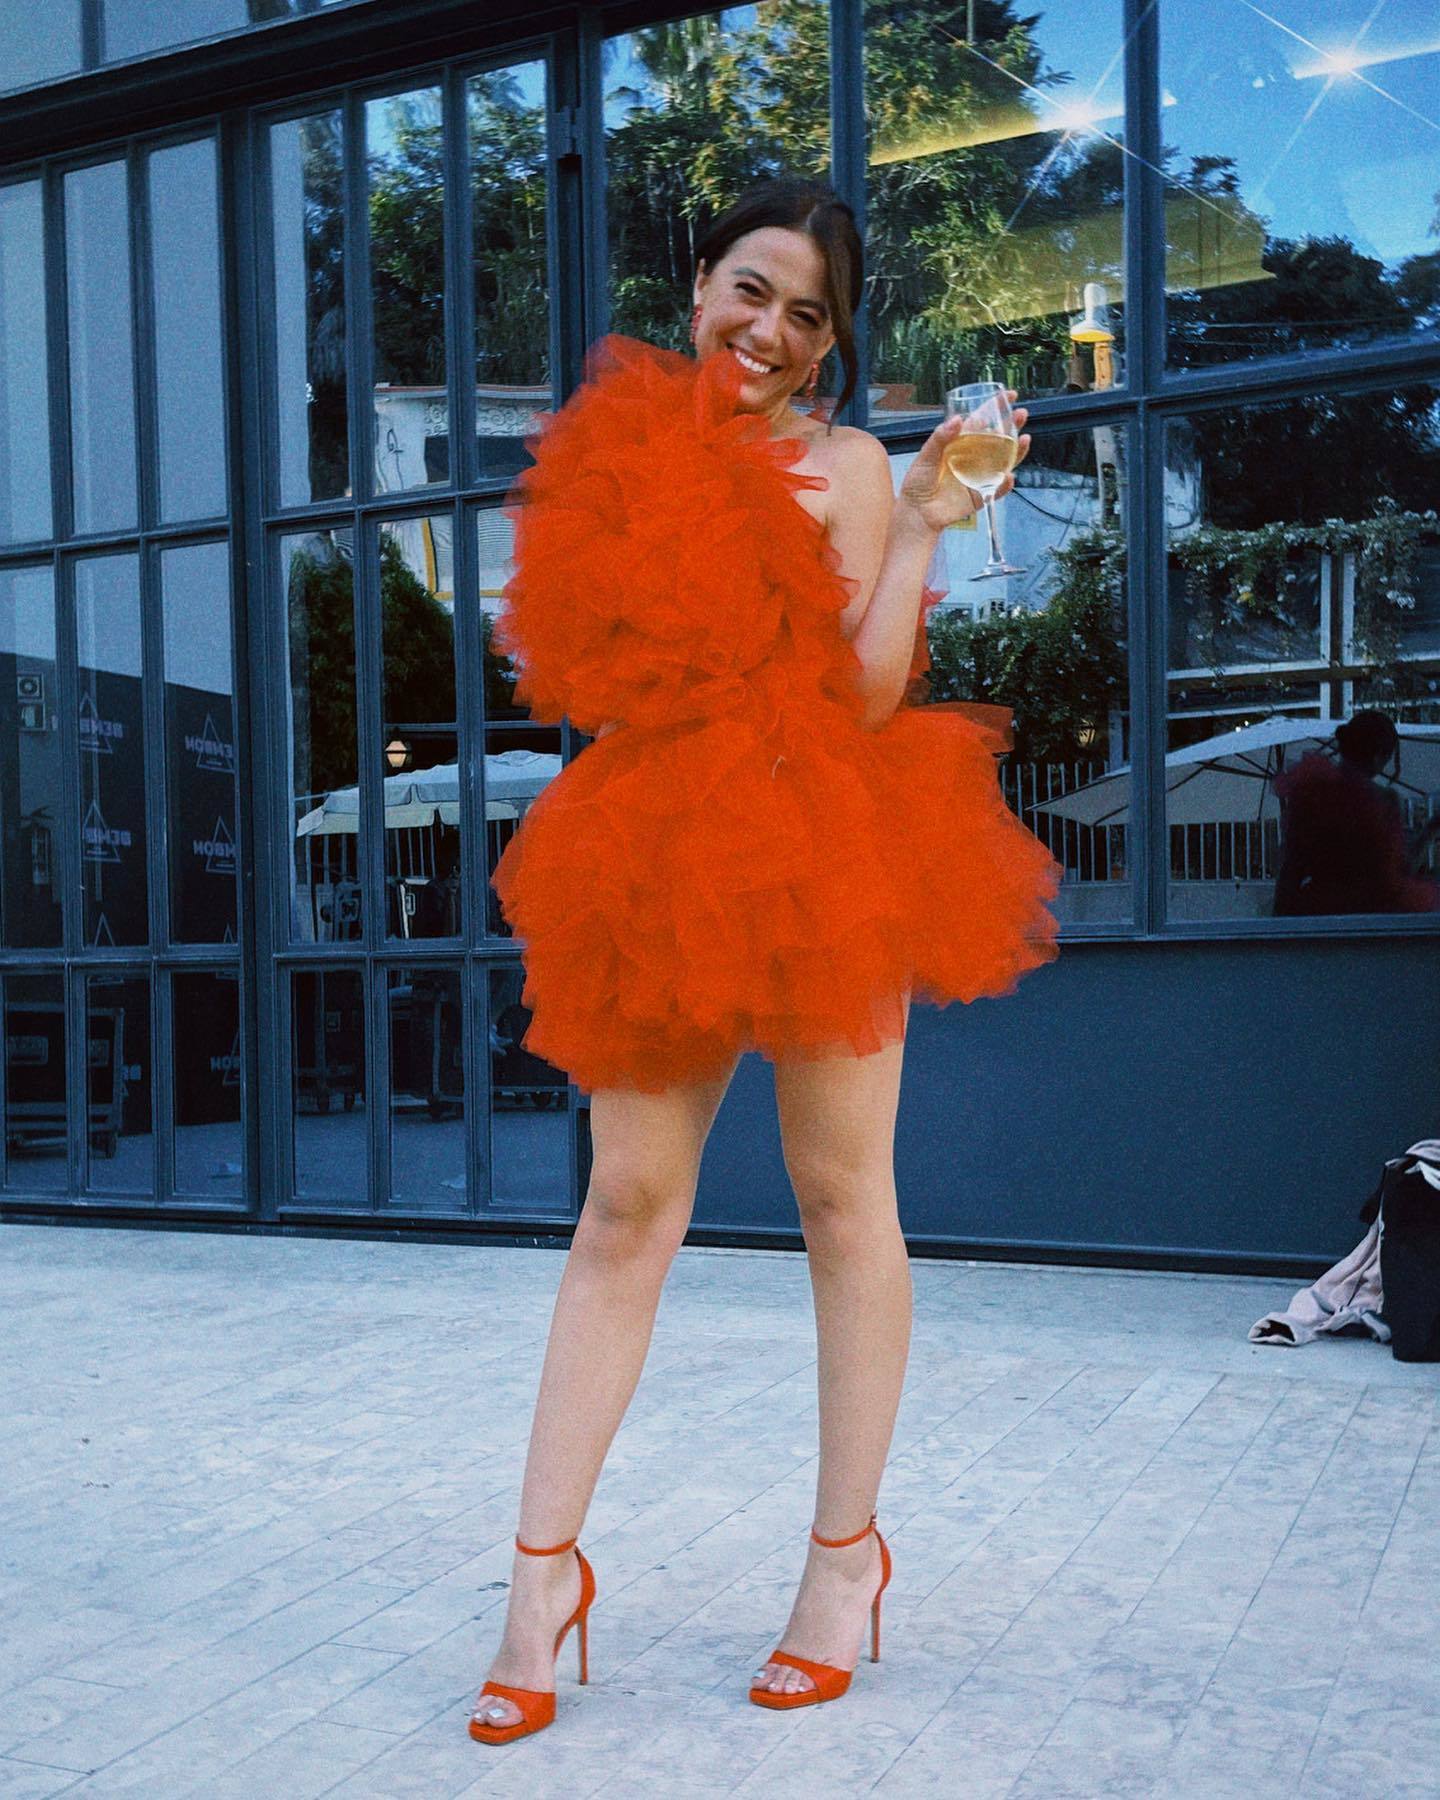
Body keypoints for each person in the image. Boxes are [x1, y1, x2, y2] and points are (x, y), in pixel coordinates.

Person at [469, 176, 1061, 1744]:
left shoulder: (846, 464)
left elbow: (868, 699)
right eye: (752, 289)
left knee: (840, 1195)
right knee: (626, 1204)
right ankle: (538, 1585)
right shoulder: (611, 447)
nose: (773, 331)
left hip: (825, 837)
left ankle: (844, 1566)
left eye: (809, 314)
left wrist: (919, 524)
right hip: (657, 843)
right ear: (700, 285)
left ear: (829, 341)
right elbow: (580, 667)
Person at [1272, 711, 1440, 916]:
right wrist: (1430, 830)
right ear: (1379, 756)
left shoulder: (1310, 792)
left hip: (1317, 909)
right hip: (1372, 913)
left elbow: (1292, 868)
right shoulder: (1382, 800)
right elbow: (1396, 873)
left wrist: (1278, 920)